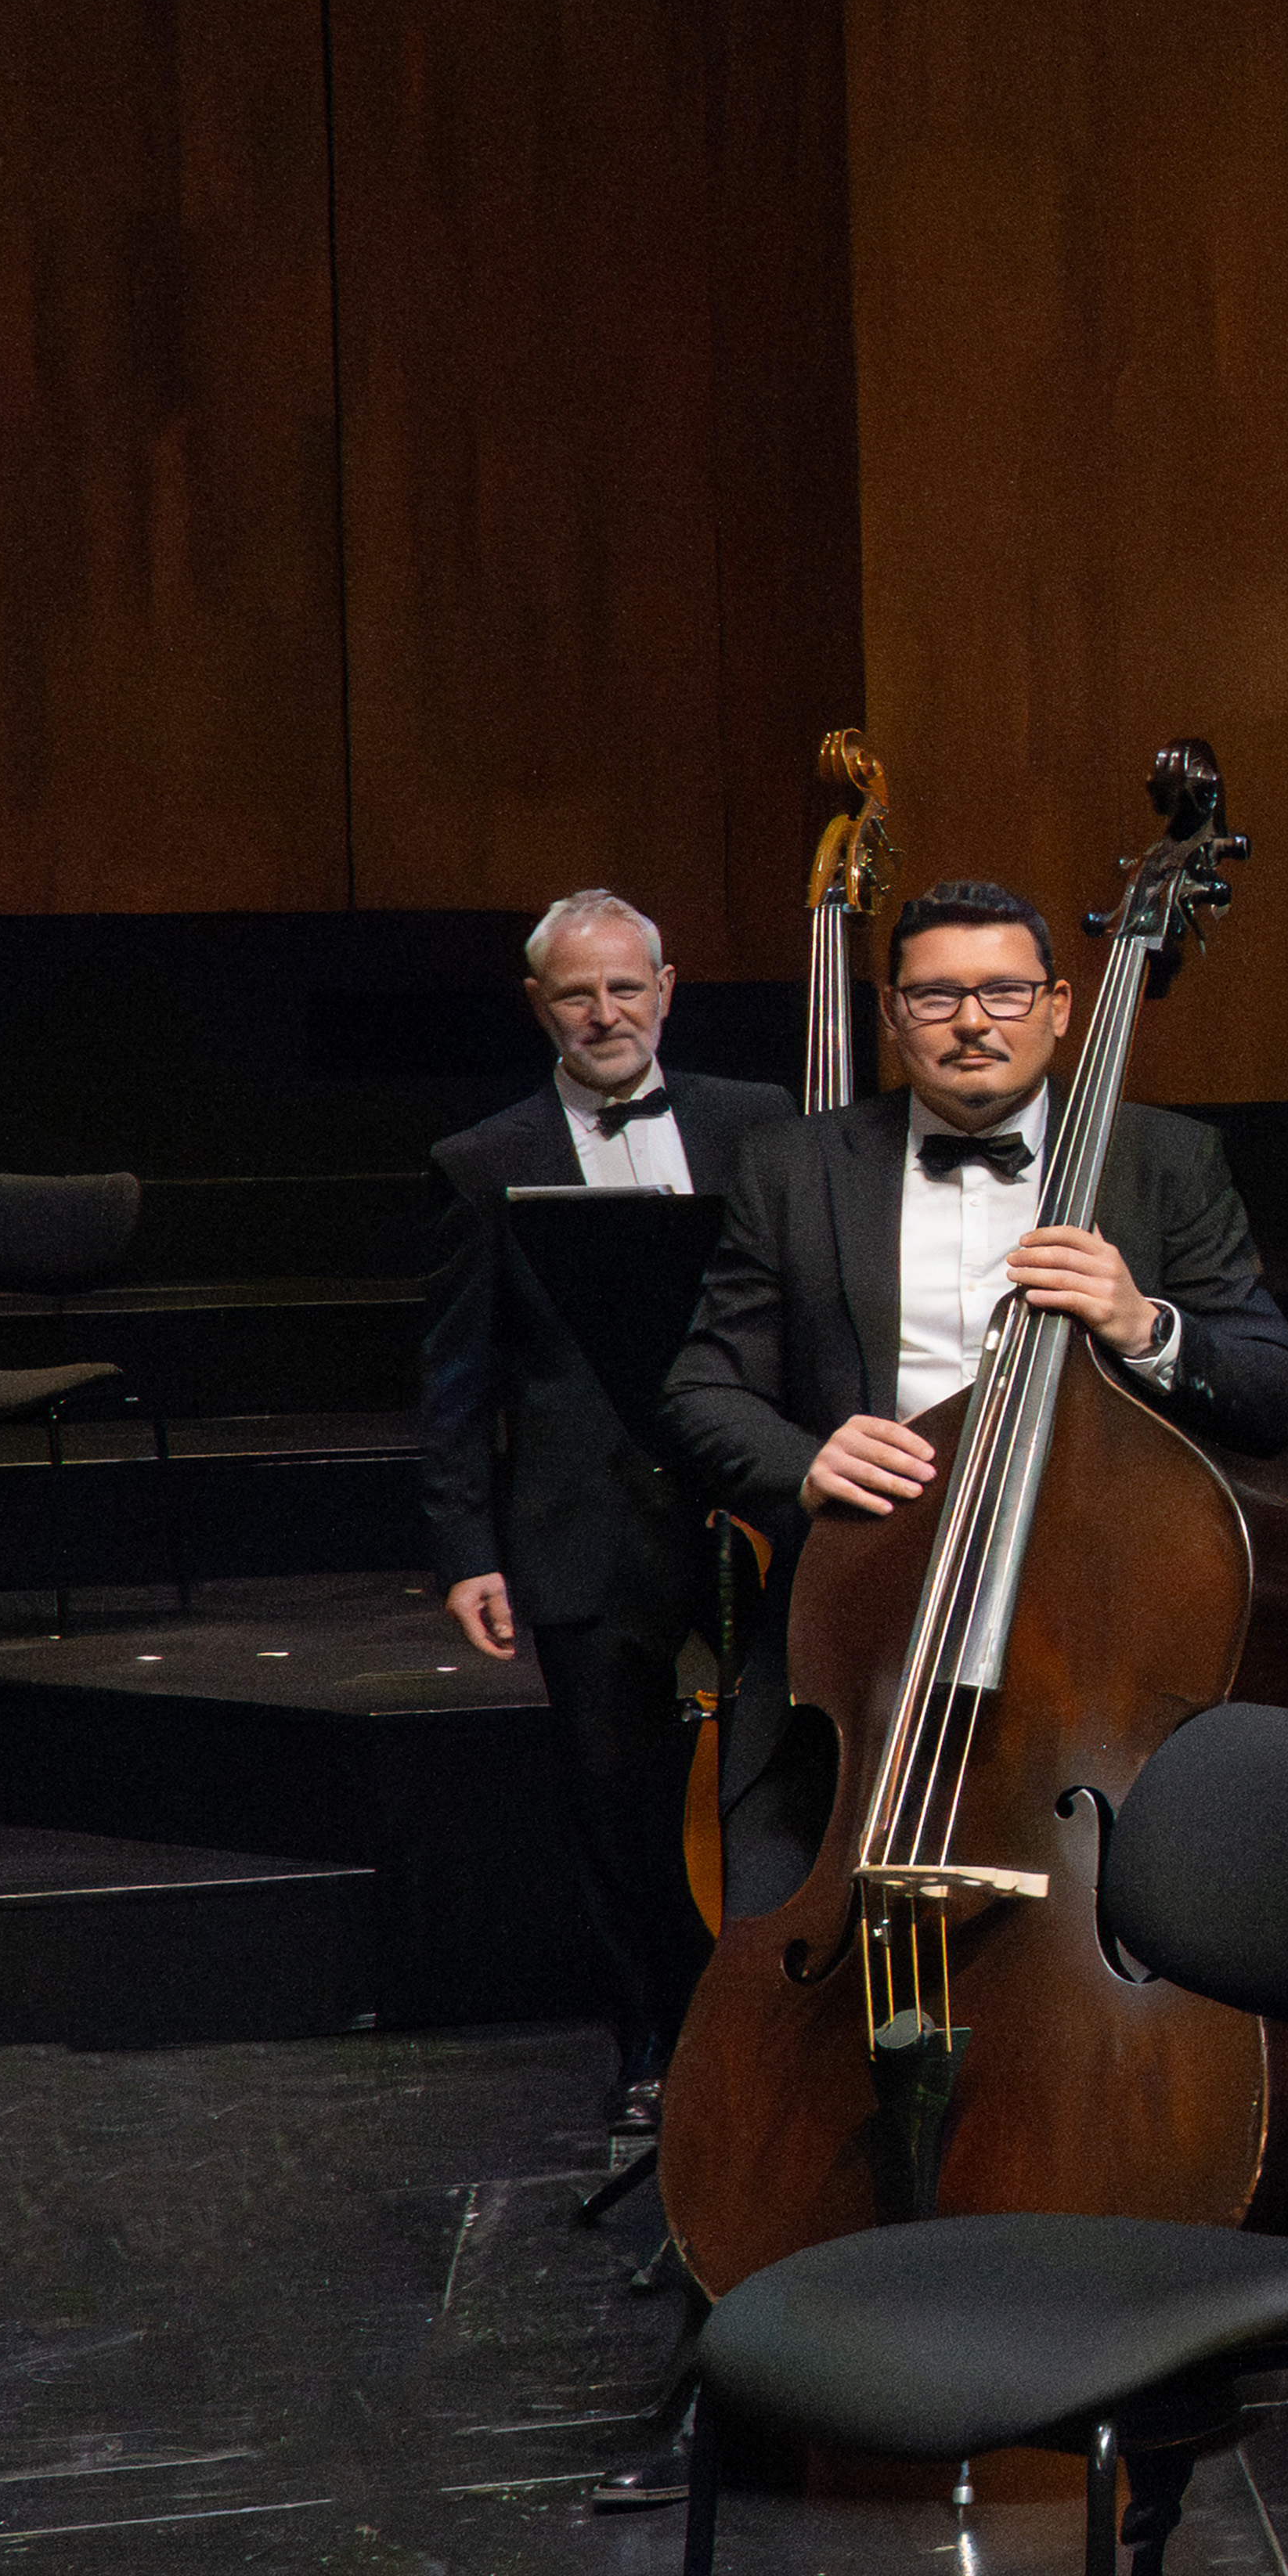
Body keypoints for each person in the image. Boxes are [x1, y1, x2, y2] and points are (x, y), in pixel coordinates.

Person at [655, 886, 1288, 1910]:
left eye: (1005, 992)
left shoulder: (1166, 1163)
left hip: (1095, 1628)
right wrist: (806, 1460)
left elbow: (1277, 1396)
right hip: (859, 1620)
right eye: (937, 996)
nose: (974, 1022)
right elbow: (701, 1391)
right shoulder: (796, 1167)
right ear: (891, 1014)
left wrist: (1145, 1325)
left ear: (1059, 1006)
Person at [417, 893, 793, 2108]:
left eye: (627, 988)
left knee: (776, 1781)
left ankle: (778, 2030)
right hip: (584, 1527)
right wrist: (468, 1548)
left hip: (754, 1515)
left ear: (667, 990)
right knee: (614, 1800)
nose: (605, 1013)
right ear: (541, 1007)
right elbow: (457, 1376)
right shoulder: (482, 1162)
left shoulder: (762, 1124)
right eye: (578, 993)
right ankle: (649, 2048)